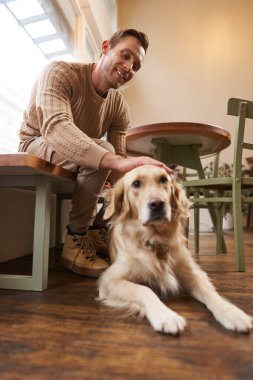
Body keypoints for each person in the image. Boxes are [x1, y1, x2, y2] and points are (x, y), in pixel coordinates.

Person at [18, 28, 173, 278]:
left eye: (136, 66)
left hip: (74, 152)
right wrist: (115, 161)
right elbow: (56, 128)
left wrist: (142, 180)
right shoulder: (59, 72)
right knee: (104, 151)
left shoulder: (119, 106)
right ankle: (75, 240)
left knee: (124, 174)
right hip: (36, 143)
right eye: (125, 55)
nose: (128, 67)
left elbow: (119, 164)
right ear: (104, 47)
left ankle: (96, 230)